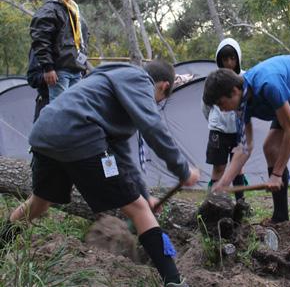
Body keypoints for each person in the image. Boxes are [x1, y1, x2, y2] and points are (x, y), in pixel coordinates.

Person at [0, 59, 199, 287]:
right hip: (80, 134)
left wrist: (144, 194)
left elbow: (122, 156)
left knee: (39, 202)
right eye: (160, 101)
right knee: (138, 210)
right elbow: (152, 126)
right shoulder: (140, 81)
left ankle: (1, 245)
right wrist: (182, 169)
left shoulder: (111, 83)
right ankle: (174, 281)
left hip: (45, 134)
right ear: (163, 86)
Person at [203, 55, 290, 225]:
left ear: (234, 91)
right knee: (270, 148)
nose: (222, 110)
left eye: (221, 103)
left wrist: (276, 174)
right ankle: (281, 217)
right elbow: (245, 148)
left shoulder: (268, 85)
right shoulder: (240, 107)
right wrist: (223, 183)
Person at [30, 0, 89, 102]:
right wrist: (48, 68)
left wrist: (83, 65)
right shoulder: (50, 10)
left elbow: (83, 41)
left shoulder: (74, 10)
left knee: (75, 108)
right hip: (59, 71)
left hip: (76, 69)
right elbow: (40, 40)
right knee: (60, 109)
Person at [202, 38, 248, 202]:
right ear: (219, 60)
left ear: (238, 58)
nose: (229, 62)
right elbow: (206, 106)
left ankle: (241, 203)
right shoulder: (215, 78)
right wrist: (217, 121)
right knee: (219, 166)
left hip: (238, 130)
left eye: (232, 58)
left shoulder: (244, 77)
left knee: (238, 166)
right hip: (218, 131)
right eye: (225, 59)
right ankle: (213, 202)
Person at [26, 49, 49, 122]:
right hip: (46, 104)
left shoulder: (79, 42)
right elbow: (32, 78)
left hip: (72, 106)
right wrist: (47, 77)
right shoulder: (40, 45)